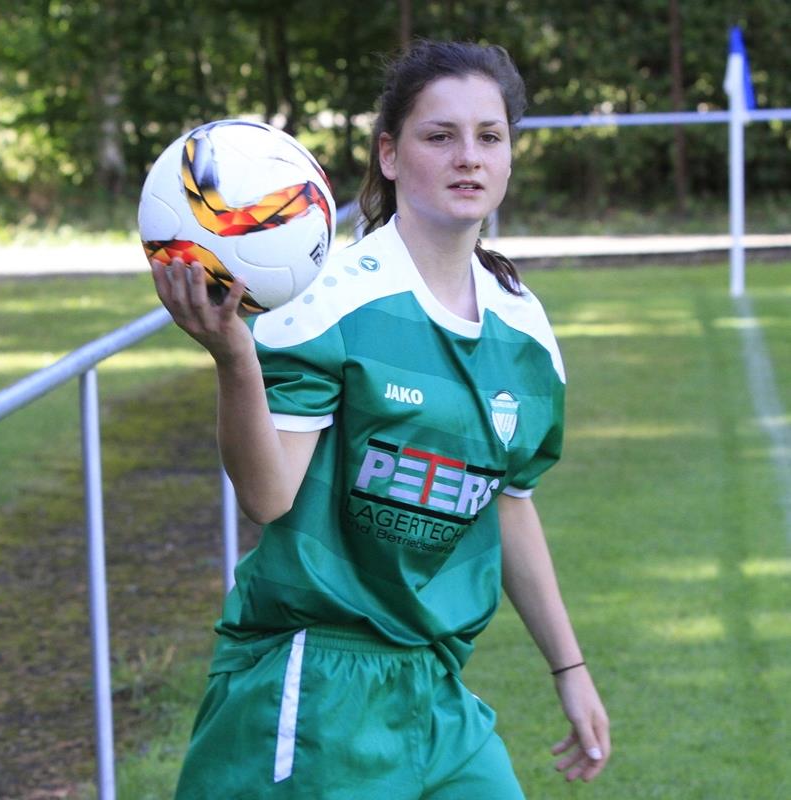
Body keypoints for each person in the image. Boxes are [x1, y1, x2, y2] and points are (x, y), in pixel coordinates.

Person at [152, 38, 610, 800]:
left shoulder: (523, 329)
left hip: (435, 691)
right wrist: (236, 360)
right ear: (390, 156)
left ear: (508, 156)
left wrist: (570, 669)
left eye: (488, 137)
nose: (468, 156)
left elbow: (509, 503)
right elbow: (267, 500)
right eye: (440, 136)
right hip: (316, 686)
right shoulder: (325, 302)